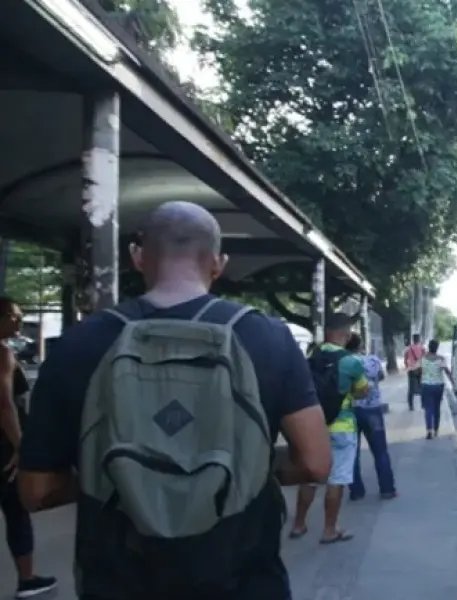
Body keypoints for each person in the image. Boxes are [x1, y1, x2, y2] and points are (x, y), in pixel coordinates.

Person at [17, 201, 332, 599]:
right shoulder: (268, 338)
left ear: (137, 257)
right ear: (218, 263)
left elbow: (36, 491)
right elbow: (316, 462)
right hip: (242, 578)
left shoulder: (79, 345)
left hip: (118, 580)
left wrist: (122, 476)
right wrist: (239, 470)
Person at [290, 313, 367, 544]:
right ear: (347, 334)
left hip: (314, 424)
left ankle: (298, 525)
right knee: (337, 478)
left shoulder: (313, 354)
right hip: (342, 426)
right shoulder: (351, 361)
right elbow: (363, 391)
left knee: (310, 477)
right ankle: (329, 530)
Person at [0, 298, 56, 598]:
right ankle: (27, 579)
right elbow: (5, 404)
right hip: (4, 448)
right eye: (14, 316)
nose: (19, 322)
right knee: (17, 510)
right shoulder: (2, 354)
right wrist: (20, 447)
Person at [347, 333, 395, 501]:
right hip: (373, 410)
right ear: (361, 345)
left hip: (351, 411)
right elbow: (381, 377)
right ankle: (387, 489)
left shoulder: (345, 363)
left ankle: (356, 491)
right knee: (380, 451)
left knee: (352, 453)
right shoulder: (373, 360)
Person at [420, 339, 452, 439]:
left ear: (429, 347)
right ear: (437, 348)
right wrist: (452, 381)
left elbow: (420, 371)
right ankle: (436, 430)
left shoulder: (423, 358)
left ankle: (429, 430)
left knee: (428, 409)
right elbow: (446, 370)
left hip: (426, 386)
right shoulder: (441, 359)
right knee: (437, 408)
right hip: (438, 386)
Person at [403, 334, 425, 411]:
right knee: (422, 387)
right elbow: (425, 359)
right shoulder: (422, 348)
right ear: (418, 339)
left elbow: (405, 360)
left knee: (411, 389)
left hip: (411, 370)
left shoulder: (408, 349)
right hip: (420, 370)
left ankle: (411, 406)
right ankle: (423, 404)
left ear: (413, 339)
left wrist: (407, 367)